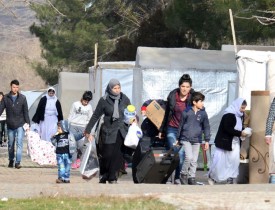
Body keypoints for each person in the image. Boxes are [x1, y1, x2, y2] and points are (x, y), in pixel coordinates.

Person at [84, 79, 130, 184]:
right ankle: (104, 175)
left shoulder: (124, 99)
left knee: (117, 155)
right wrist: (88, 130)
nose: (117, 90)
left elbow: (130, 112)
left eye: (119, 88)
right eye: (115, 88)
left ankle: (113, 177)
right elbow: (96, 115)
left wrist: (134, 119)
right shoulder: (104, 100)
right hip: (108, 131)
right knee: (107, 155)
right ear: (110, 89)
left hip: (121, 131)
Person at [158, 74, 195, 184]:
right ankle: (169, 177)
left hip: (184, 131)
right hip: (172, 129)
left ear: (190, 87)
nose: (185, 89)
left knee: (182, 155)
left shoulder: (193, 98)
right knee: (176, 153)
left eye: (187, 87)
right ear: (179, 86)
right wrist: (161, 129)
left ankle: (177, 178)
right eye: (183, 86)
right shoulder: (173, 96)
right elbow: (167, 114)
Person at [208, 98, 248, 185]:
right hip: (225, 142)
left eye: (244, 108)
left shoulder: (240, 115)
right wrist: (240, 133)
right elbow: (227, 128)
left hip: (235, 142)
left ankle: (230, 178)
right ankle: (213, 177)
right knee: (221, 161)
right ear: (237, 106)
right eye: (242, 107)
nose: (243, 110)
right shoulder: (229, 115)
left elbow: (239, 127)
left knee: (233, 161)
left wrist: (244, 131)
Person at [177, 92, 210, 185]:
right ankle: (183, 174)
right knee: (189, 157)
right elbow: (180, 125)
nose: (202, 103)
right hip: (186, 138)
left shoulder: (203, 114)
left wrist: (207, 141)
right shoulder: (186, 112)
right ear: (194, 102)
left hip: (197, 140)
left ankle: (191, 177)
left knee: (194, 160)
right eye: (201, 101)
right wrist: (177, 138)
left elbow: (206, 127)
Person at [0, 80, 30, 168]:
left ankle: (18, 162)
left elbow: (26, 112)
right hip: (10, 125)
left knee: (19, 143)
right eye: (14, 87)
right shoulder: (6, 98)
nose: (15, 89)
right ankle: (11, 160)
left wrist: (28, 124)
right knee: (10, 144)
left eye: (17, 87)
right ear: (10, 87)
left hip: (20, 124)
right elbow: (1, 109)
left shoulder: (23, 98)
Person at [68, 91, 93, 169]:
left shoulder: (89, 107)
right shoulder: (75, 104)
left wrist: (89, 130)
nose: (86, 103)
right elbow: (70, 115)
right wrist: (67, 127)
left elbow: (90, 119)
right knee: (73, 145)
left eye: (87, 101)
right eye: (85, 101)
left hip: (83, 128)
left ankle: (80, 159)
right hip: (73, 125)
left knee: (81, 145)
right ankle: (74, 162)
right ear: (82, 98)